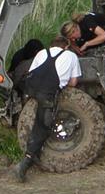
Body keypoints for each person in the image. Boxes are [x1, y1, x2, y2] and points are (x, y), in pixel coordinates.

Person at [15, 36, 82, 182]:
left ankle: (36, 157)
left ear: (51, 45)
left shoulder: (41, 53)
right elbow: (74, 82)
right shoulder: (71, 55)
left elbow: (32, 72)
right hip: (47, 92)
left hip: (30, 88)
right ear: (66, 46)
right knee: (43, 126)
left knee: (38, 120)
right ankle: (25, 163)